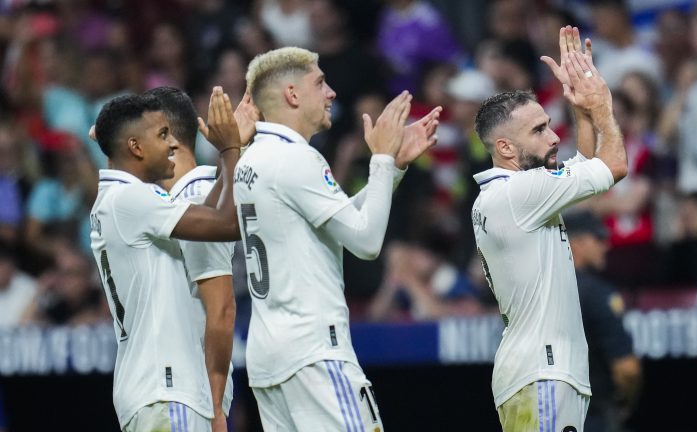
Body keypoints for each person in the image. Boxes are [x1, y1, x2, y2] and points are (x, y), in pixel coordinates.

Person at [237, 46, 440, 431]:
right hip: (314, 353)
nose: (331, 93)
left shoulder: (253, 158)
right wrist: (379, 158)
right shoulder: (297, 159)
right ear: (292, 95)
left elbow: (343, 222)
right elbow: (364, 242)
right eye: (320, 83)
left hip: (271, 358)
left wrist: (392, 167)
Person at [472, 27, 628, 431]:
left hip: (536, 372)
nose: (554, 136)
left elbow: (587, 165)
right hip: (543, 372)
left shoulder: (513, 192)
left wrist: (580, 108)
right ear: (505, 147)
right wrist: (602, 105)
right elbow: (613, 166)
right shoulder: (521, 193)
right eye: (539, 130)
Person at [89, 87, 242, 431]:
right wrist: (230, 149)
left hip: (148, 390)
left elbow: (204, 214)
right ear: (135, 147)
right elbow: (227, 223)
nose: (171, 143)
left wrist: (233, 155)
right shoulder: (133, 199)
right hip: (168, 391)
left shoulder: (117, 200)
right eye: (161, 135)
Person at [146, 85, 258, 431]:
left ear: (165, 137)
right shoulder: (182, 198)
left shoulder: (193, 196)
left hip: (194, 400)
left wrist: (214, 405)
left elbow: (222, 309)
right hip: (179, 391)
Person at [564, 210, 642, 432]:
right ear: (575, 243)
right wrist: (626, 401)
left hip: (545, 415)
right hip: (593, 416)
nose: (605, 245)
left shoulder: (535, 292)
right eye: (598, 239)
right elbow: (628, 370)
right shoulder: (597, 294)